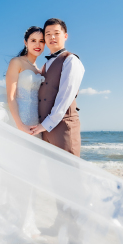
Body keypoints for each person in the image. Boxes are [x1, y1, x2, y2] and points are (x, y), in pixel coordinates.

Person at [29, 18, 84, 156]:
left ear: (65, 36)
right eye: (47, 34)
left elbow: (65, 96)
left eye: (56, 33)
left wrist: (46, 124)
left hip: (63, 128)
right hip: (45, 129)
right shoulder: (45, 65)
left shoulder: (71, 60)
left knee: (68, 173)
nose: (52, 37)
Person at [4, 26, 45, 135]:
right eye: (33, 40)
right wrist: (20, 125)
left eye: (41, 41)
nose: (37, 45)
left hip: (35, 124)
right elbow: (11, 97)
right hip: (18, 121)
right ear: (25, 42)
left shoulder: (39, 70)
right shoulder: (16, 62)